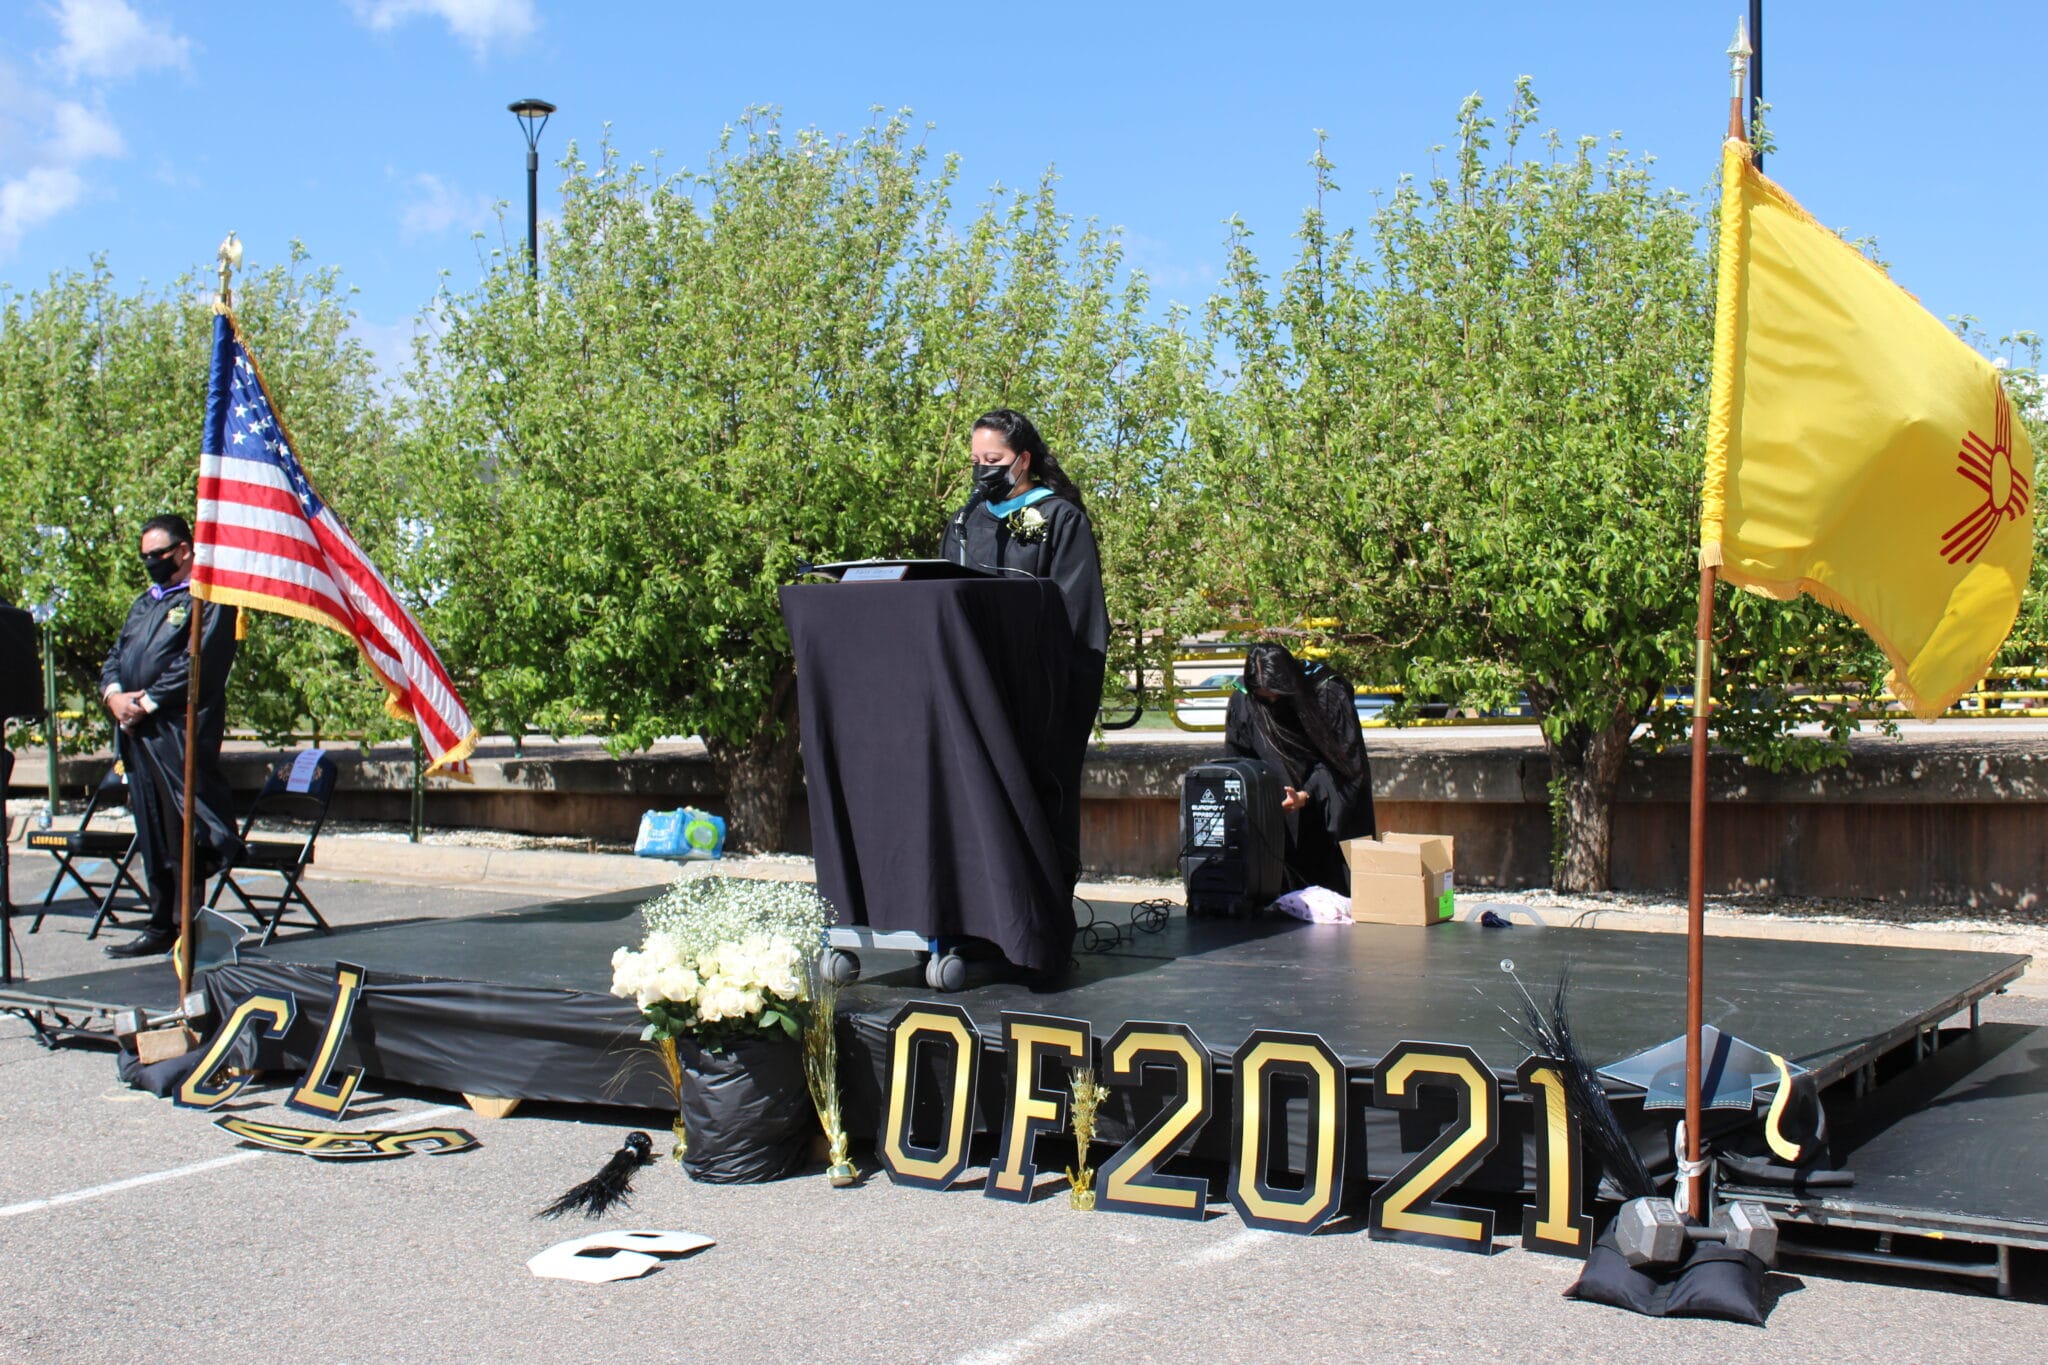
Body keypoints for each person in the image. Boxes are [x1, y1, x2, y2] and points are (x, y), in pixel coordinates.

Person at [939, 409, 1108, 889]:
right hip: (974, 688)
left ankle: (1040, 913)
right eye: (975, 459)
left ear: (1024, 459)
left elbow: (1077, 614)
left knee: (1034, 802)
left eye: (993, 458)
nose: (982, 469)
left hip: (1038, 696)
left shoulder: (1058, 518)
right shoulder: (966, 520)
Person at [99, 515, 242, 958]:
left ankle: (187, 928)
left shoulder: (209, 599)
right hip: (137, 736)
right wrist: (115, 696)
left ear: (183, 551)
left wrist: (148, 702)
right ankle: (160, 921)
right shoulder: (146, 603)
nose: (150, 564)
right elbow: (117, 655)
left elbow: (199, 663)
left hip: (177, 733)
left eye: (156, 556)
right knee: (151, 829)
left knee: (185, 830)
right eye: (144, 557)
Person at [1223, 642, 1376, 894]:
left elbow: (1347, 761)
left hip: (1331, 803)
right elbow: (1239, 759)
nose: (1271, 701)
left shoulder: (1327, 693)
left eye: (1277, 695)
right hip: (1279, 811)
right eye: (1264, 696)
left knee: (1334, 893)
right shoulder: (1245, 699)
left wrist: (1307, 795)